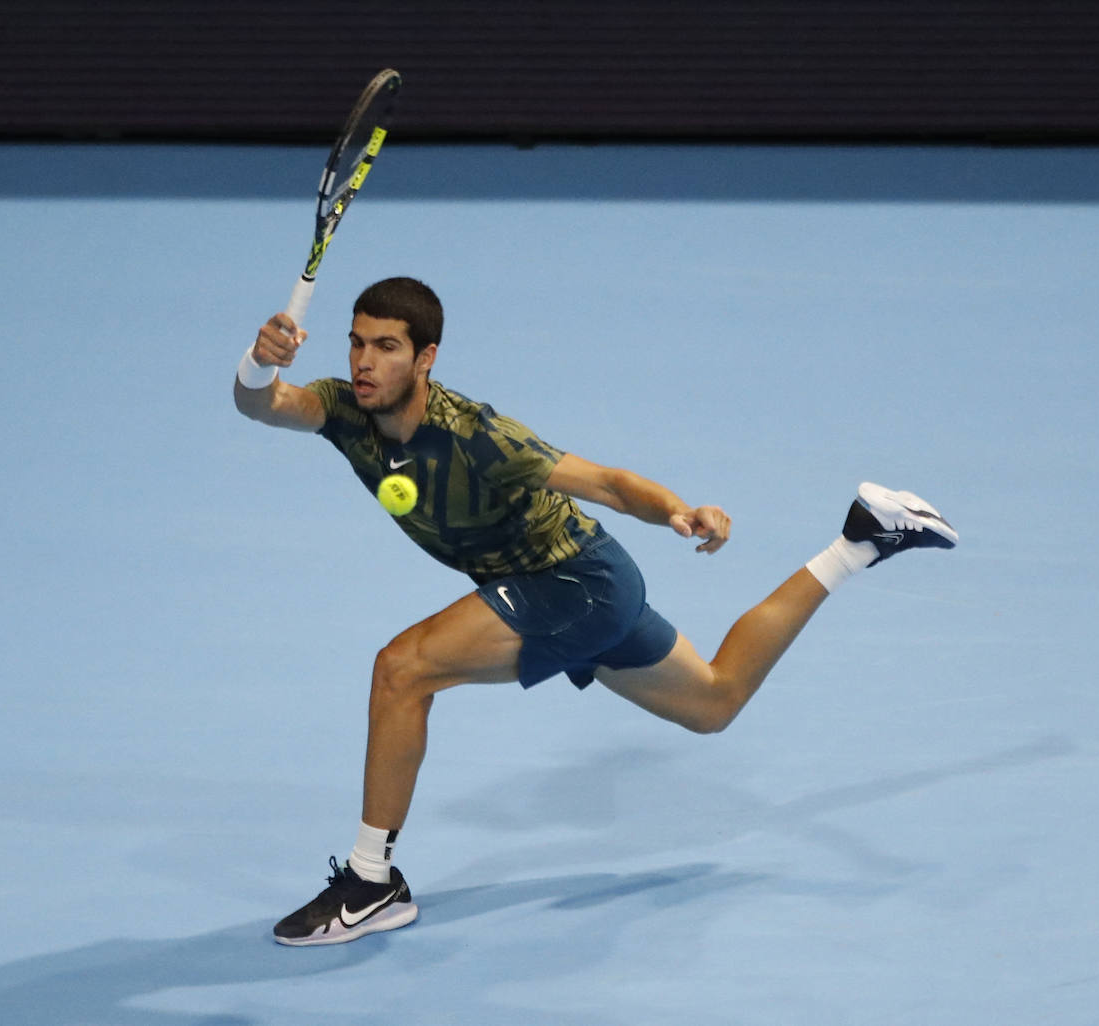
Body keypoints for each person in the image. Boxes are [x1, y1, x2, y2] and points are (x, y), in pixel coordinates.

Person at [234, 277, 957, 946]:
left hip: (577, 582)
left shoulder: (478, 436)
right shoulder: (343, 409)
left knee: (403, 669)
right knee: (714, 700)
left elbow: (606, 483)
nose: (365, 361)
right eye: (357, 342)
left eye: (386, 347)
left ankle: (371, 882)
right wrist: (260, 363)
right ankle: (862, 539)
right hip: (555, 591)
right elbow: (262, 403)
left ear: (425, 358)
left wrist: (679, 509)